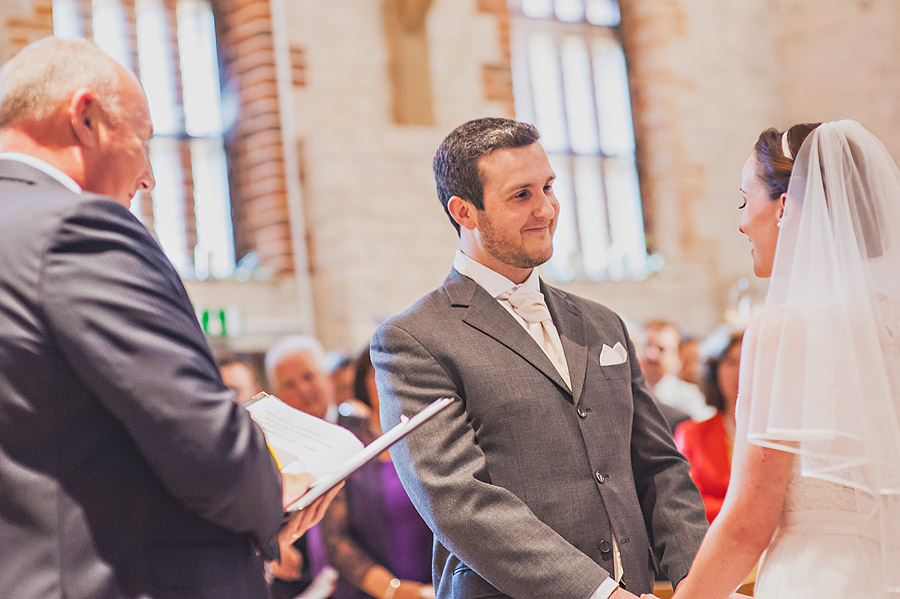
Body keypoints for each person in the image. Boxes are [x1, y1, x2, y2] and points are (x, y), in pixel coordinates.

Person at [0, 37, 338, 599]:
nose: (151, 177)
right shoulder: (74, 229)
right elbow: (202, 442)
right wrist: (274, 492)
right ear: (85, 118)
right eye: (144, 140)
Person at [371, 117, 708, 599]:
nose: (547, 209)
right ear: (464, 211)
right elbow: (458, 501)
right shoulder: (414, 339)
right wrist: (597, 593)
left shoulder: (601, 323)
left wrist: (700, 580)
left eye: (548, 187)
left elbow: (659, 467)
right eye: (521, 195)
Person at [658, 120, 900, 599]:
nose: (741, 222)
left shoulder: (787, 327)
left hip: (824, 578)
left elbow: (750, 521)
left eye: (745, 201)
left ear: (786, 207)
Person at [321, 347, 435, 599]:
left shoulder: (435, 440)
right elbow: (335, 539)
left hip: (440, 589)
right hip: (370, 591)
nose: (387, 381)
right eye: (377, 373)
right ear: (364, 381)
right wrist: (391, 590)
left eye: (400, 372)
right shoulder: (347, 444)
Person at [674, 329, 743, 522]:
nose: (740, 372)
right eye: (731, 362)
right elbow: (686, 501)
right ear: (715, 369)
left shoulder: (774, 436)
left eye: (748, 362)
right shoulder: (691, 433)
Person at [640, 320, 714, 422]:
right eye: (647, 346)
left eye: (661, 349)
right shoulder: (626, 393)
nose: (650, 354)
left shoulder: (689, 398)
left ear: (678, 357)